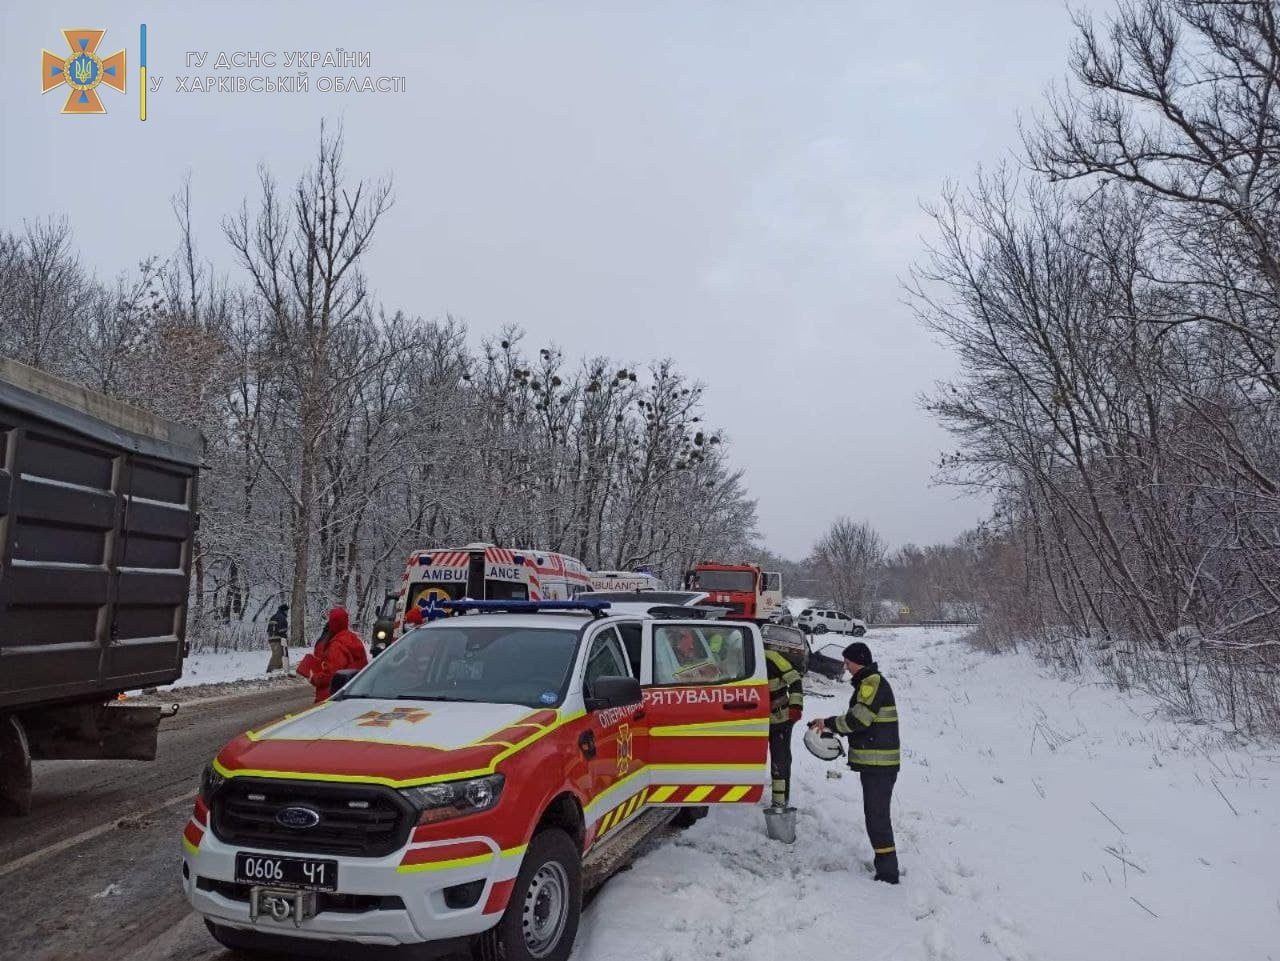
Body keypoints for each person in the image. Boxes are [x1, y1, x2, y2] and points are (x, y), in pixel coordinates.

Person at [809, 641, 900, 883]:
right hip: (875, 764)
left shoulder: (872, 683)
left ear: (858, 661)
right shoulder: (867, 682)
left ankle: (888, 874)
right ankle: (885, 868)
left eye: (848, 662)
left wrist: (829, 724)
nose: (846, 667)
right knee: (875, 816)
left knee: (877, 817)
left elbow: (859, 720)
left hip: (880, 765)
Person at [764, 639, 804, 810]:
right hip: (754, 720)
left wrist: (796, 706)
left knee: (780, 760)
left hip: (779, 719)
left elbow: (795, 680)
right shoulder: (741, 657)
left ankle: (780, 802)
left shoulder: (772, 657)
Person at [297, 607, 369, 702]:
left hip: (333, 696)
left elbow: (332, 674)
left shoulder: (336, 645)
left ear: (332, 623)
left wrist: (314, 678)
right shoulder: (355, 640)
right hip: (353, 692)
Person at [265, 604, 289, 672]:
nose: (287, 613)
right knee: (277, 655)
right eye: (286, 611)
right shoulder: (281, 617)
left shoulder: (274, 616)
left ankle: (278, 670)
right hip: (277, 638)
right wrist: (286, 632)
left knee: (279, 654)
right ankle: (270, 670)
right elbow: (282, 629)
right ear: (284, 610)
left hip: (271, 638)